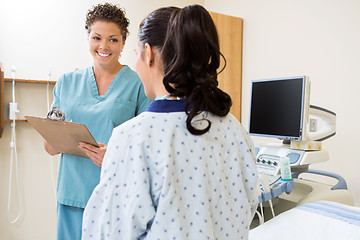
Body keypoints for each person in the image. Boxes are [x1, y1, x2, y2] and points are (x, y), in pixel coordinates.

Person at [82, 4, 258, 240]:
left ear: (148, 53)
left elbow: (108, 233)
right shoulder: (234, 128)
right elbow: (249, 207)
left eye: (135, 54)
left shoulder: (134, 138)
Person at [44, 3, 151, 239]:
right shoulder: (66, 82)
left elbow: (146, 149)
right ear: (88, 38)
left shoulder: (138, 85)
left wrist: (113, 155)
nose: (103, 46)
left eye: (113, 39)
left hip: (114, 197)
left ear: (124, 42)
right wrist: (53, 132)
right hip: (71, 194)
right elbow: (50, 147)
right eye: (97, 38)